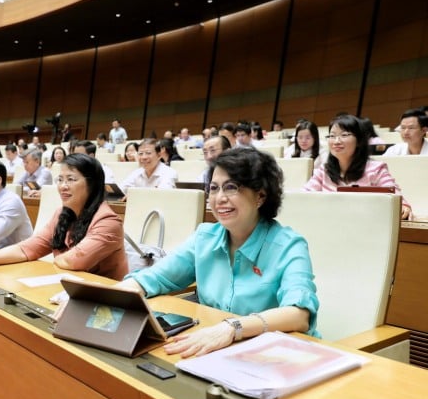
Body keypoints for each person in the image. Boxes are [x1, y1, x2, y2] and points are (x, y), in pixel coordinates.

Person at [118, 147, 319, 357]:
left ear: (260, 196)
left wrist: (232, 328)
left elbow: (299, 314)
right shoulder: (205, 236)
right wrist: (113, 294)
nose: (219, 198)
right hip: (216, 347)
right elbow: (156, 278)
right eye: (214, 188)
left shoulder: (288, 245)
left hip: (275, 354)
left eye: (231, 187)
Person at [0, 154, 128, 279]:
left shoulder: (107, 221)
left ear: (92, 184)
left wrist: (48, 256)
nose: (63, 186)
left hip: (103, 298)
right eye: (60, 179)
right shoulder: (62, 214)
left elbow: (74, 261)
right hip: (69, 289)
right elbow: (26, 248)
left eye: (71, 179)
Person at [303, 114, 412, 220]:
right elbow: (304, 195)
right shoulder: (324, 170)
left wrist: (403, 206)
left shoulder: (376, 169)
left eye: (344, 135)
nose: (336, 141)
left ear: (359, 140)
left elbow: (395, 196)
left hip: (365, 225)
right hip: (330, 224)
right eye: (332, 136)